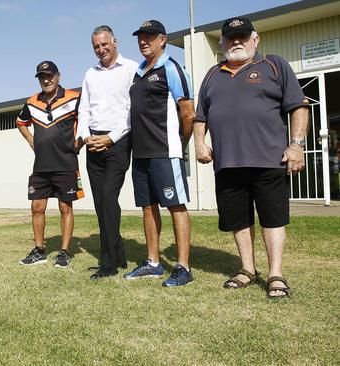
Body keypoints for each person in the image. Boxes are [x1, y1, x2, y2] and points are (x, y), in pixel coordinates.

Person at [193, 17, 309, 298]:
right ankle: (247, 269)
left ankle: (275, 274)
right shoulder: (211, 75)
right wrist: (199, 143)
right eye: (230, 38)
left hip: (269, 160)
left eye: (243, 37)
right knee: (238, 220)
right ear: (222, 43)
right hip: (228, 163)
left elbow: (299, 107)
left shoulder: (274, 65)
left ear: (255, 40)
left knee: (273, 218)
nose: (237, 42)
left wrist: (296, 145)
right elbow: (200, 116)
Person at [124, 20, 195, 287]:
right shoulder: (139, 71)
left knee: (175, 205)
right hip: (140, 154)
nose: (144, 41)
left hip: (166, 151)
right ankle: (153, 263)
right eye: (140, 37)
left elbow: (188, 113)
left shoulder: (172, 69)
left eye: (149, 37)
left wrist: (179, 144)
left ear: (162, 39)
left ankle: (183, 267)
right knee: (148, 207)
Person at [77, 25, 138, 279]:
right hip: (93, 144)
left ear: (114, 41)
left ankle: (108, 263)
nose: (100, 50)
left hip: (118, 143)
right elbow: (84, 109)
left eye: (104, 44)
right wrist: (85, 136)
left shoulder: (132, 69)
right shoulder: (90, 73)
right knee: (101, 203)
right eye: (96, 47)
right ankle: (119, 253)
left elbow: (132, 111)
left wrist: (110, 139)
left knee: (109, 199)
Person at [16, 61, 84, 268]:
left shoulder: (74, 97)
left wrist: (79, 141)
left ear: (58, 76)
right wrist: (30, 140)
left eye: (49, 75)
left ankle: (64, 252)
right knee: (37, 207)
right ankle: (39, 250)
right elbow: (20, 122)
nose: (46, 80)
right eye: (41, 77)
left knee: (65, 207)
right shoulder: (31, 102)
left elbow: (87, 120)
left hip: (66, 163)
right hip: (41, 166)